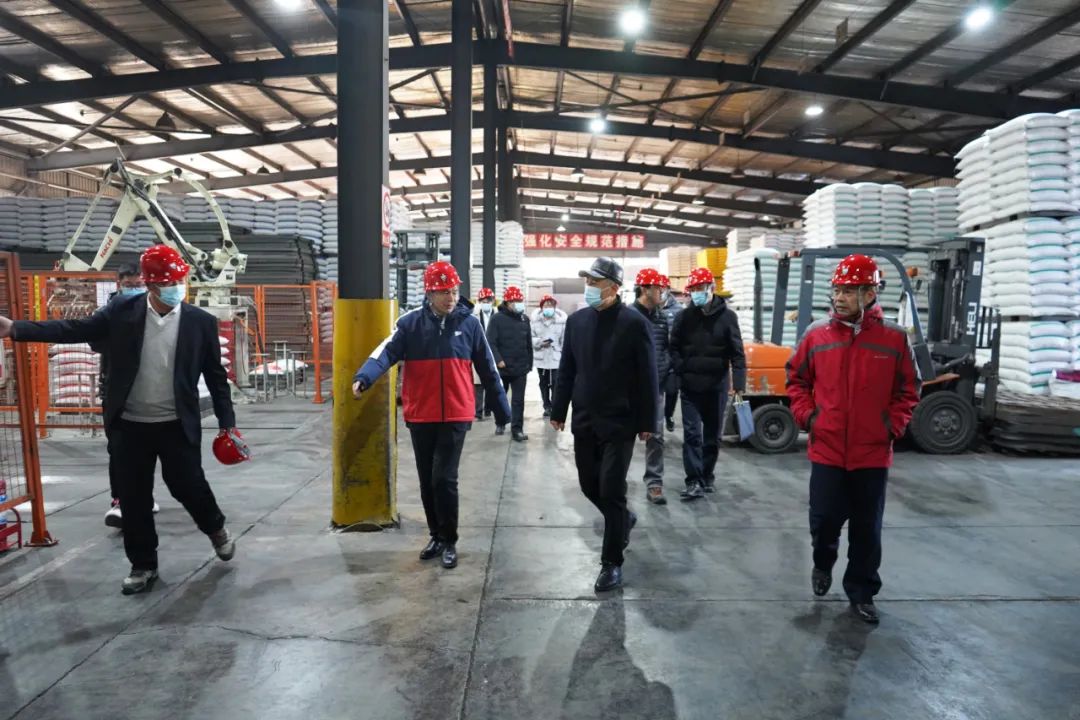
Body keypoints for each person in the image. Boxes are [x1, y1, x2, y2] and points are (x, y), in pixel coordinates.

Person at [0, 245, 240, 596]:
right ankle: (143, 565)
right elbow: (73, 329)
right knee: (133, 497)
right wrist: (15, 329)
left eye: (179, 281)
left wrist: (227, 424)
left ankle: (215, 528)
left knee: (188, 486)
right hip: (130, 425)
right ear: (151, 285)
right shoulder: (122, 312)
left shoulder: (199, 323)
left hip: (176, 424)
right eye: (169, 283)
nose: (177, 288)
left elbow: (216, 377)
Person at [786, 254, 920, 625]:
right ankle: (822, 563)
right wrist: (809, 417)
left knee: (867, 530)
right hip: (827, 450)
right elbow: (796, 380)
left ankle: (861, 592)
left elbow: (909, 389)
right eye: (837, 290)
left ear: (870, 293)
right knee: (824, 521)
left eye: (848, 291)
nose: (839, 297)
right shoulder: (816, 335)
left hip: (871, 454)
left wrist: (891, 426)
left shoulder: (893, 338)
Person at [353, 262, 510, 570]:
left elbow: (488, 367)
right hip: (421, 414)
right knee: (427, 480)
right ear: (429, 293)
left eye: (454, 291)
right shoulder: (410, 324)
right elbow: (385, 352)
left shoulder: (470, 324)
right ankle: (436, 535)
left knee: (444, 478)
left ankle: (450, 540)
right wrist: (364, 377)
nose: (450, 298)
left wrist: (503, 410)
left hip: (456, 413)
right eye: (443, 292)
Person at [551, 257, 658, 592]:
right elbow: (567, 369)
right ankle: (622, 518)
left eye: (595, 283)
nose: (590, 288)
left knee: (611, 489)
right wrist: (559, 409)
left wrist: (648, 420)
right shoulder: (577, 322)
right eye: (588, 282)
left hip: (620, 421)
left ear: (614, 287)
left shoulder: (634, 323)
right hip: (584, 418)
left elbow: (648, 376)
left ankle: (611, 563)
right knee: (589, 486)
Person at [670, 267, 746, 501]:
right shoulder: (684, 317)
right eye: (693, 289)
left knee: (713, 437)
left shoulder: (728, 318)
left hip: (717, 387)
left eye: (700, 288)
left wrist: (739, 384)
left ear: (711, 288)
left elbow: (737, 353)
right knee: (692, 435)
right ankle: (693, 480)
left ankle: (707, 476)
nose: (696, 293)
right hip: (690, 387)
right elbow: (673, 347)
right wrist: (681, 369)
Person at [95, 264, 160, 528]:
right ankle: (120, 500)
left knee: (148, 449)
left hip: (150, 391)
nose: (134, 289)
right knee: (117, 448)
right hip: (117, 392)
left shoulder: (156, 310)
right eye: (129, 285)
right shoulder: (108, 312)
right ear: (119, 284)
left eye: (138, 285)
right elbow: (96, 342)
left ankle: (144, 496)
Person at [631, 268, 673, 506]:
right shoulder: (626, 317)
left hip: (656, 387)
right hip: (630, 388)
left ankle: (654, 483)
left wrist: (666, 370)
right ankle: (616, 480)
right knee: (623, 436)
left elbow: (666, 348)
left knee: (656, 436)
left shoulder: (662, 318)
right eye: (659, 289)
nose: (662, 293)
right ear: (645, 289)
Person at [486, 285, 532, 442]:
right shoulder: (496, 319)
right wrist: (498, 360)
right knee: (500, 398)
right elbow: (491, 342)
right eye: (515, 301)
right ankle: (500, 422)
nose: (518, 303)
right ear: (507, 302)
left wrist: (529, 363)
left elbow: (528, 343)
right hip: (503, 367)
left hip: (521, 368)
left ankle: (517, 429)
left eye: (520, 300)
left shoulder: (524, 319)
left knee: (518, 401)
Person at [531, 294, 566, 418]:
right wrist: (539, 342)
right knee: (543, 382)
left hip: (556, 356)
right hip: (541, 356)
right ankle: (547, 406)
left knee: (556, 382)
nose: (548, 307)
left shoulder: (561, 321)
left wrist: (563, 354)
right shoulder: (535, 321)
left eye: (551, 305)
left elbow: (564, 339)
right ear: (541, 307)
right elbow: (530, 337)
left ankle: (555, 406)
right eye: (546, 305)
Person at [659, 280, 683, 432]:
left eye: (662, 288)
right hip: (656, 358)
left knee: (672, 391)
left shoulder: (678, 310)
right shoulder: (650, 307)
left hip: (672, 358)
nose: (660, 291)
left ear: (668, 289)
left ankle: (669, 415)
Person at [472, 287, 496, 421]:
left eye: (488, 300)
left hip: (493, 352)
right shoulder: (474, 315)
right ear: (479, 301)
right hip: (478, 352)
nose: (486, 303)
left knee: (491, 382)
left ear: (492, 301)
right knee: (478, 384)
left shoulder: (497, 315)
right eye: (483, 301)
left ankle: (488, 408)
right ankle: (478, 411)